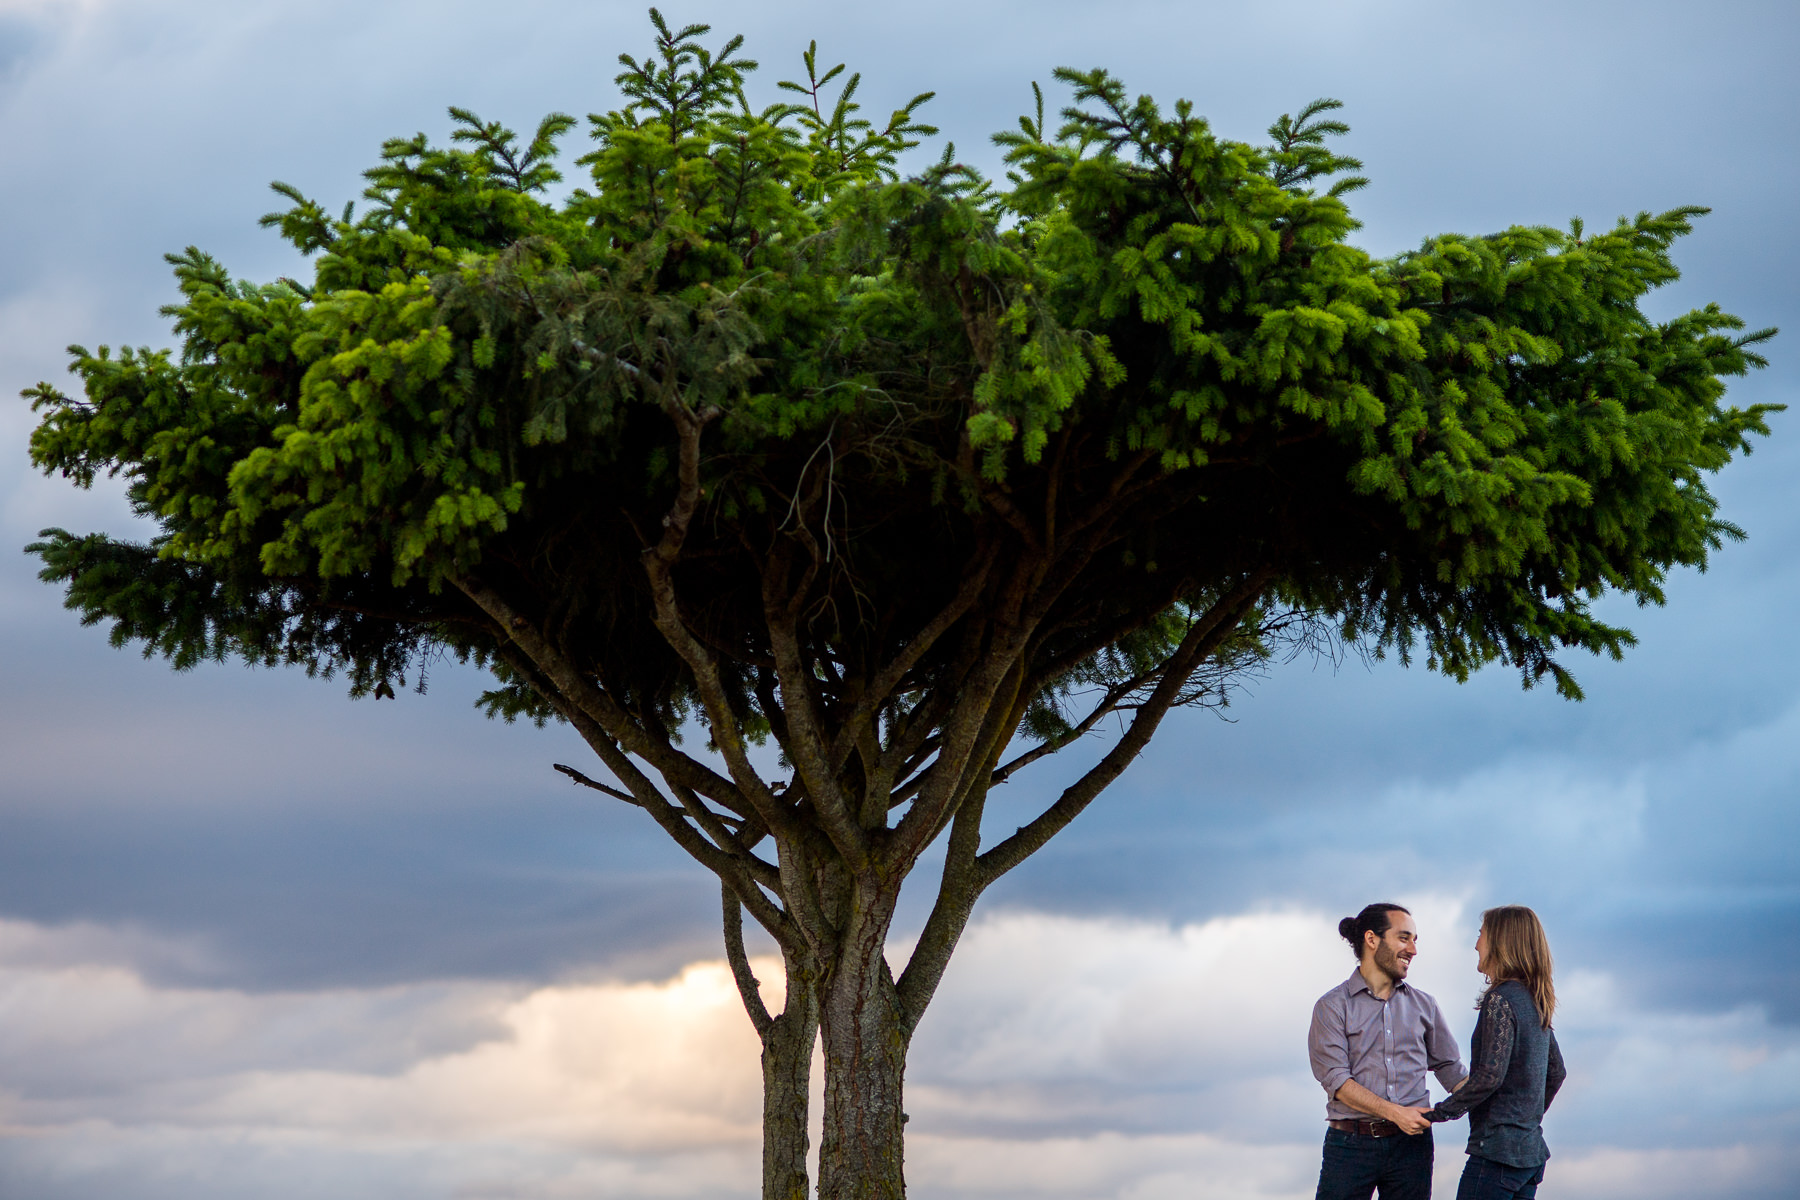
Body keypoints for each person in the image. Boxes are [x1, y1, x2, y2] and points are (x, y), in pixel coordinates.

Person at [1309, 902, 1469, 1200]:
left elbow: (1451, 1069)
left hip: (1412, 1148)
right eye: (1404, 937)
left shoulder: (1426, 1005)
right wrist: (1396, 1114)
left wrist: (1492, 1095)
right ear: (1372, 939)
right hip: (1349, 1145)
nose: (1413, 950)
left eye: (1415, 940)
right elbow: (1338, 1082)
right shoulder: (1331, 1007)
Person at [1424, 906, 1567, 1200]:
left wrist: (1439, 1113)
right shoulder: (1535, 999)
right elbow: (1557, 1072)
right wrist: (1525, 1120)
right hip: (1529, 1156)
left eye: (1481, 935)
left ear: (1502, 942)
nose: (1476, 944)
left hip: (1496, 1155)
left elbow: (1490, 1076)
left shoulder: (1500, 999)